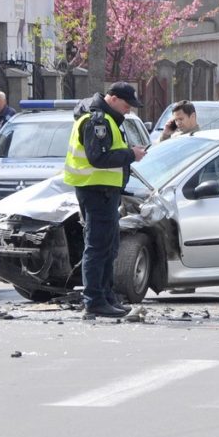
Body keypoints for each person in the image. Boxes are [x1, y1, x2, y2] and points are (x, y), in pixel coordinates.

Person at [63, 81, 147, 318]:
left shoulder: (107, 118)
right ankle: (94, 301)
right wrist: (131, 154)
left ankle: (106, 296)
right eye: (127, 104)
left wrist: (128, 152)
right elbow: (97, 158)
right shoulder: (97, 120)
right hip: (95, 190)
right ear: (112, 98)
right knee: (98, 247)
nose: (129, 109)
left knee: (108, 246)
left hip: (103, 190)